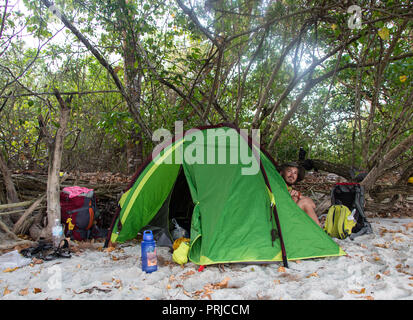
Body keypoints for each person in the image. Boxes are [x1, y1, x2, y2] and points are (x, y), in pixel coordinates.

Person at [279, 162, 321, 227]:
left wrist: (299, 196)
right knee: (303, 201)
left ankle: (318, 232)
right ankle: (319, 233)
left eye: (295, 173)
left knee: (302, 200)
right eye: (289, 171)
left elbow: (313, 205)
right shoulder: (278, 185)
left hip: (291, 218)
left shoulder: (289, 188)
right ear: (281, 172)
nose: (292, 175)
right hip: (281, 220)